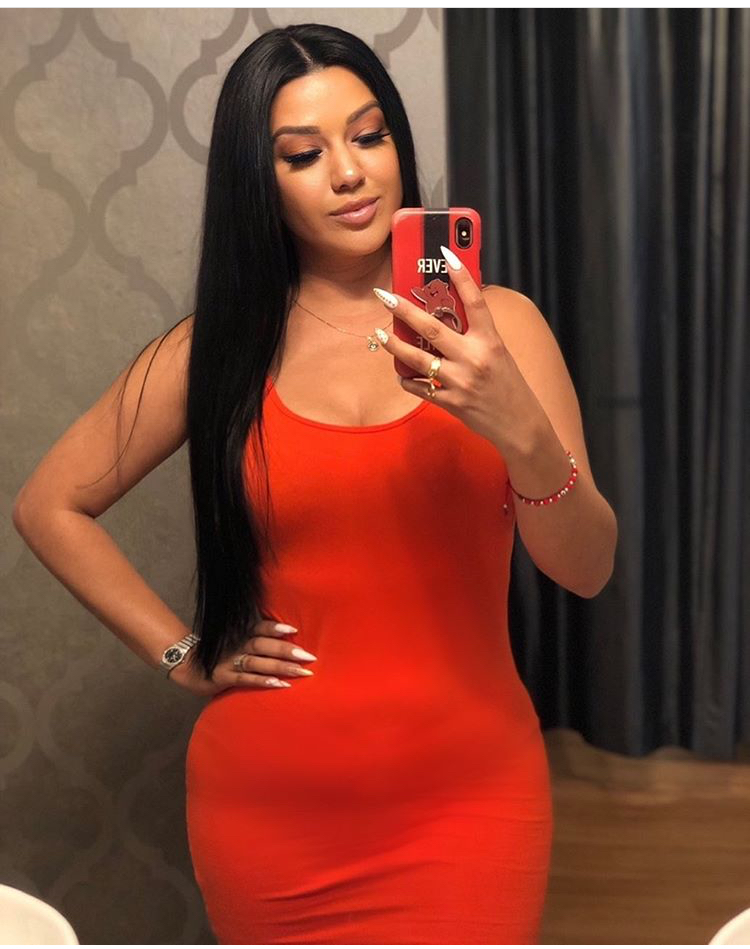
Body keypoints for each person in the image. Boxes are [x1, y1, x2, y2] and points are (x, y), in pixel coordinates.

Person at [13, 22, 617, 946]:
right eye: (303, 153)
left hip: (471, 798)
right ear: (260, 181)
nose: (349, 172)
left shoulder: (505, 332)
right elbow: (48, 504)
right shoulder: (219, 349)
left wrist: (518, 426)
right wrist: (184, 653)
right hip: (269, 812)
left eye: (370, 135)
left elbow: (588, 568)